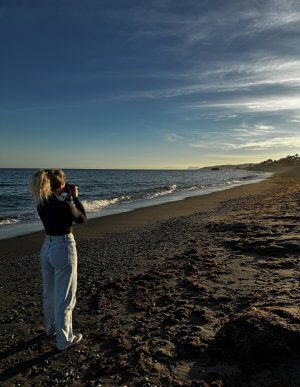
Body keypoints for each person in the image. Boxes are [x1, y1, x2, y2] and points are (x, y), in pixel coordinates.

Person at [32, 169, 87, 350]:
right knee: (65, 297)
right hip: (63, 247)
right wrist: (74, 197)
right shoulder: (65, 206)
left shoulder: (42, 203)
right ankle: (64, 339)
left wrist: (63, 194)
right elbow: (82, 218)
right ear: (61, 184)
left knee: (50, 292)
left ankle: (51, 329)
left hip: (47, 247)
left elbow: (54, 203)